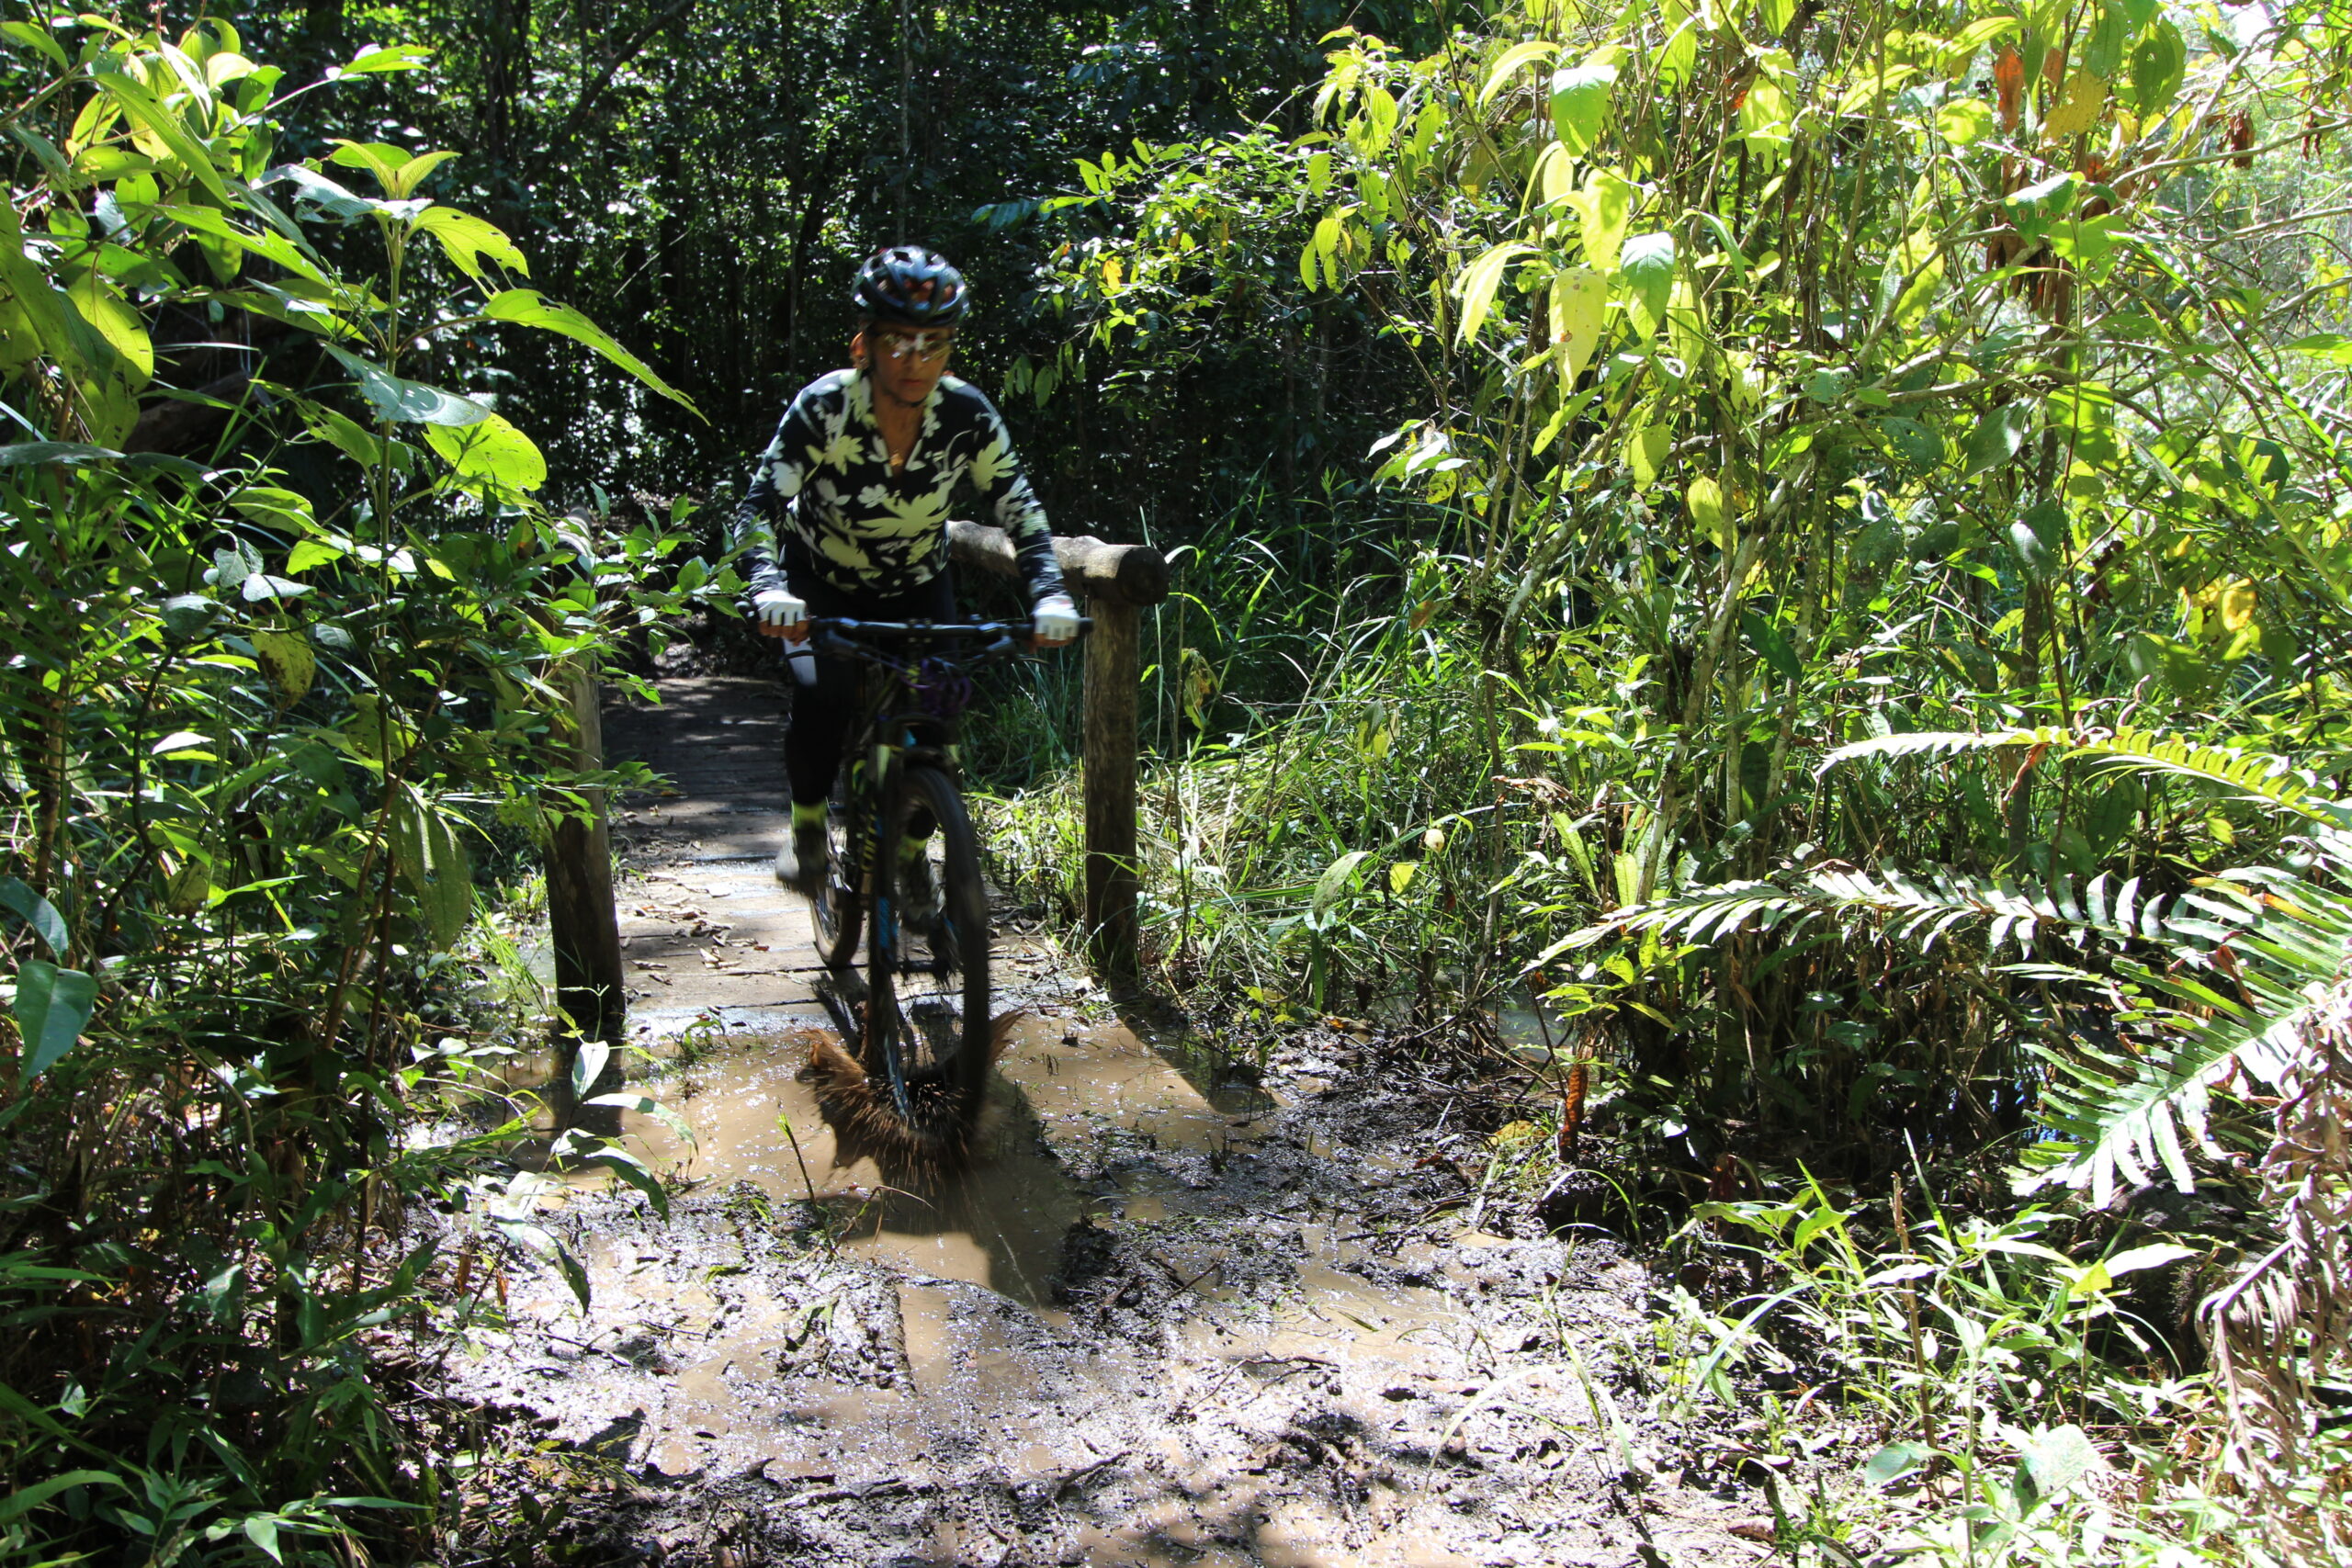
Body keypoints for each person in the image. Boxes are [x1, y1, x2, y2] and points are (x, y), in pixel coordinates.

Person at [731, 245, 1080, 891]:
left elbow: (1020, 509)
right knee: (822, 696)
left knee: (938, 717)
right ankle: (809, 828)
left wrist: (1050, 594)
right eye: (898, 341)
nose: (916, 360)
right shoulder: (826, 408)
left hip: (918, 583)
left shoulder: (965, 414)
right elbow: (757, 507)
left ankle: (911, 848)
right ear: (864, 343)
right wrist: (768, 585)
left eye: (935, 343)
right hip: (820, 584)